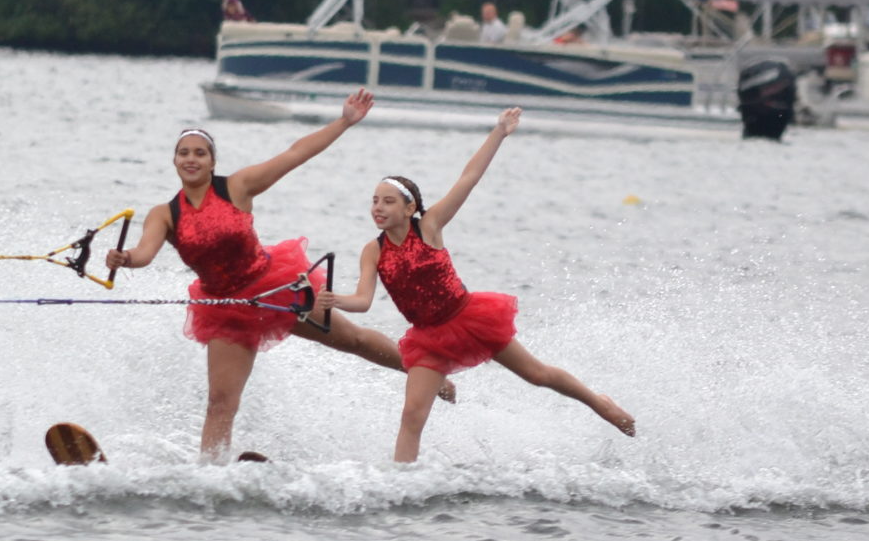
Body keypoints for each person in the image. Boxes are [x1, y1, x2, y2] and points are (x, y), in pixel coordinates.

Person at [106, 90, 450, 460]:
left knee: (354, 340)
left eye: (199, 153)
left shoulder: (237, 186)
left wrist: (344, 121)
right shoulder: (164, 213)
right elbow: (144, 252)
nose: (191, 159)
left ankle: (426, 372)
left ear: (211, 161)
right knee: (220, 403)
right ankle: (211, 471)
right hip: (226, 306)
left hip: (277, 287)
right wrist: (124, 258)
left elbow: (294, 154)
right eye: (183, 153)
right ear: (174, 160)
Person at [315, 107, 635, 461]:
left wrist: (499, 131)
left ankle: (599, 403)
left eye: (388, 201)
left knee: (537, 374)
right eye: (374, 201)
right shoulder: (372, 251)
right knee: (411, 415)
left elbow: (469, 177)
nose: (378, 208)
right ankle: (400, 481)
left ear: (410, 209)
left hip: (470, 318)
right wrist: (336, 301)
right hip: (428, 337)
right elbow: (363, 300)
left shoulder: (430, 225)